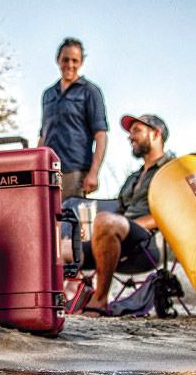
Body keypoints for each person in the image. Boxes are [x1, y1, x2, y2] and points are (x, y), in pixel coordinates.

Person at [63, 113, 174, 316]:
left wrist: (116, 224)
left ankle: (100, 300)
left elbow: (171, 214)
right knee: (56, 237)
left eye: (137, 131)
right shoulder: (133, 178)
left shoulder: (171, 170)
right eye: (130, 132)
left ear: (156, 134)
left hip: (147, 243)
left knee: (105, 221)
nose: (130, 137)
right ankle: (69, 292)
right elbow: (119, 212)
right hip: (115, 238)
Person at [38, 38, 108, 200]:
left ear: (81, 62)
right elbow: (43, 135)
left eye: (75, 60)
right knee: (48, 223)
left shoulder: (90, 92)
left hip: (75, 173)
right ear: (58, 60)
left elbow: (101, 135)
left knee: (72, 222)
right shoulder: (48, 94)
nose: (70, 65)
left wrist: (94, 173)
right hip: (49, 172)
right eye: (65, 59)